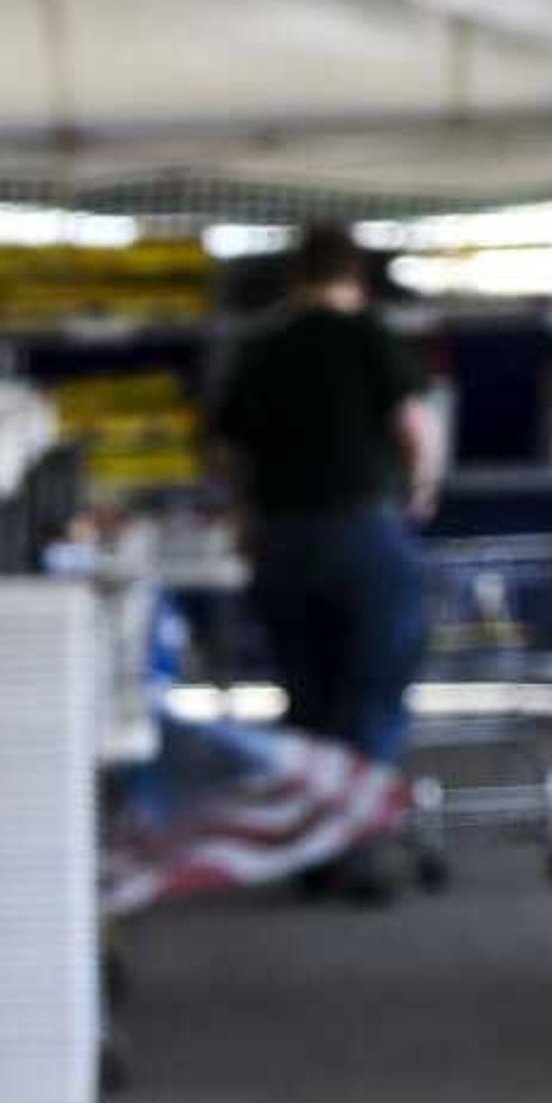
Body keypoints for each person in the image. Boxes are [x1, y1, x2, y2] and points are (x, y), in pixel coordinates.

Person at [213, 226, 440, 888]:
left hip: (282, 540)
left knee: (308, 698)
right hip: (361, 534)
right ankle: (358, 846)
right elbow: (414, 427)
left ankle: (311, 850)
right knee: (369, 693)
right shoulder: (371, 336)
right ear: (359, 278)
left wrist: (245, 515)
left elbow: (228, 451)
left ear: (294, 278)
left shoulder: (263, 348)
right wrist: (420, 489)